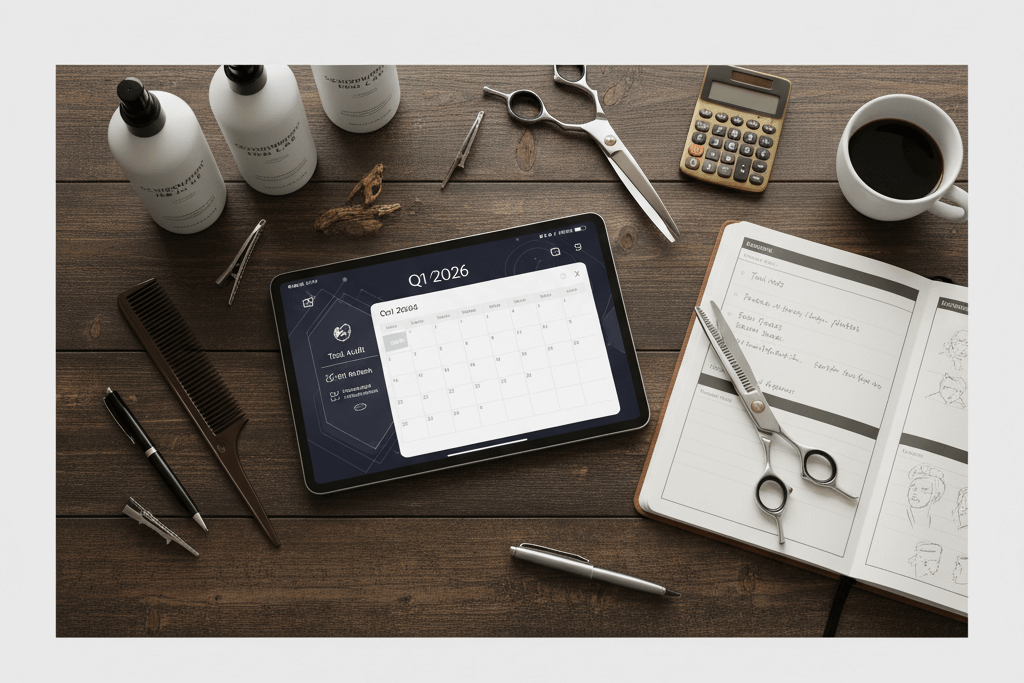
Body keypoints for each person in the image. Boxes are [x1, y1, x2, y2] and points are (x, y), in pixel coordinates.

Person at [906, 463, 945, 528]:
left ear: (935, 497)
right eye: (913, 488)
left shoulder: (936, 524)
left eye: (924, 490)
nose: (915, 493)